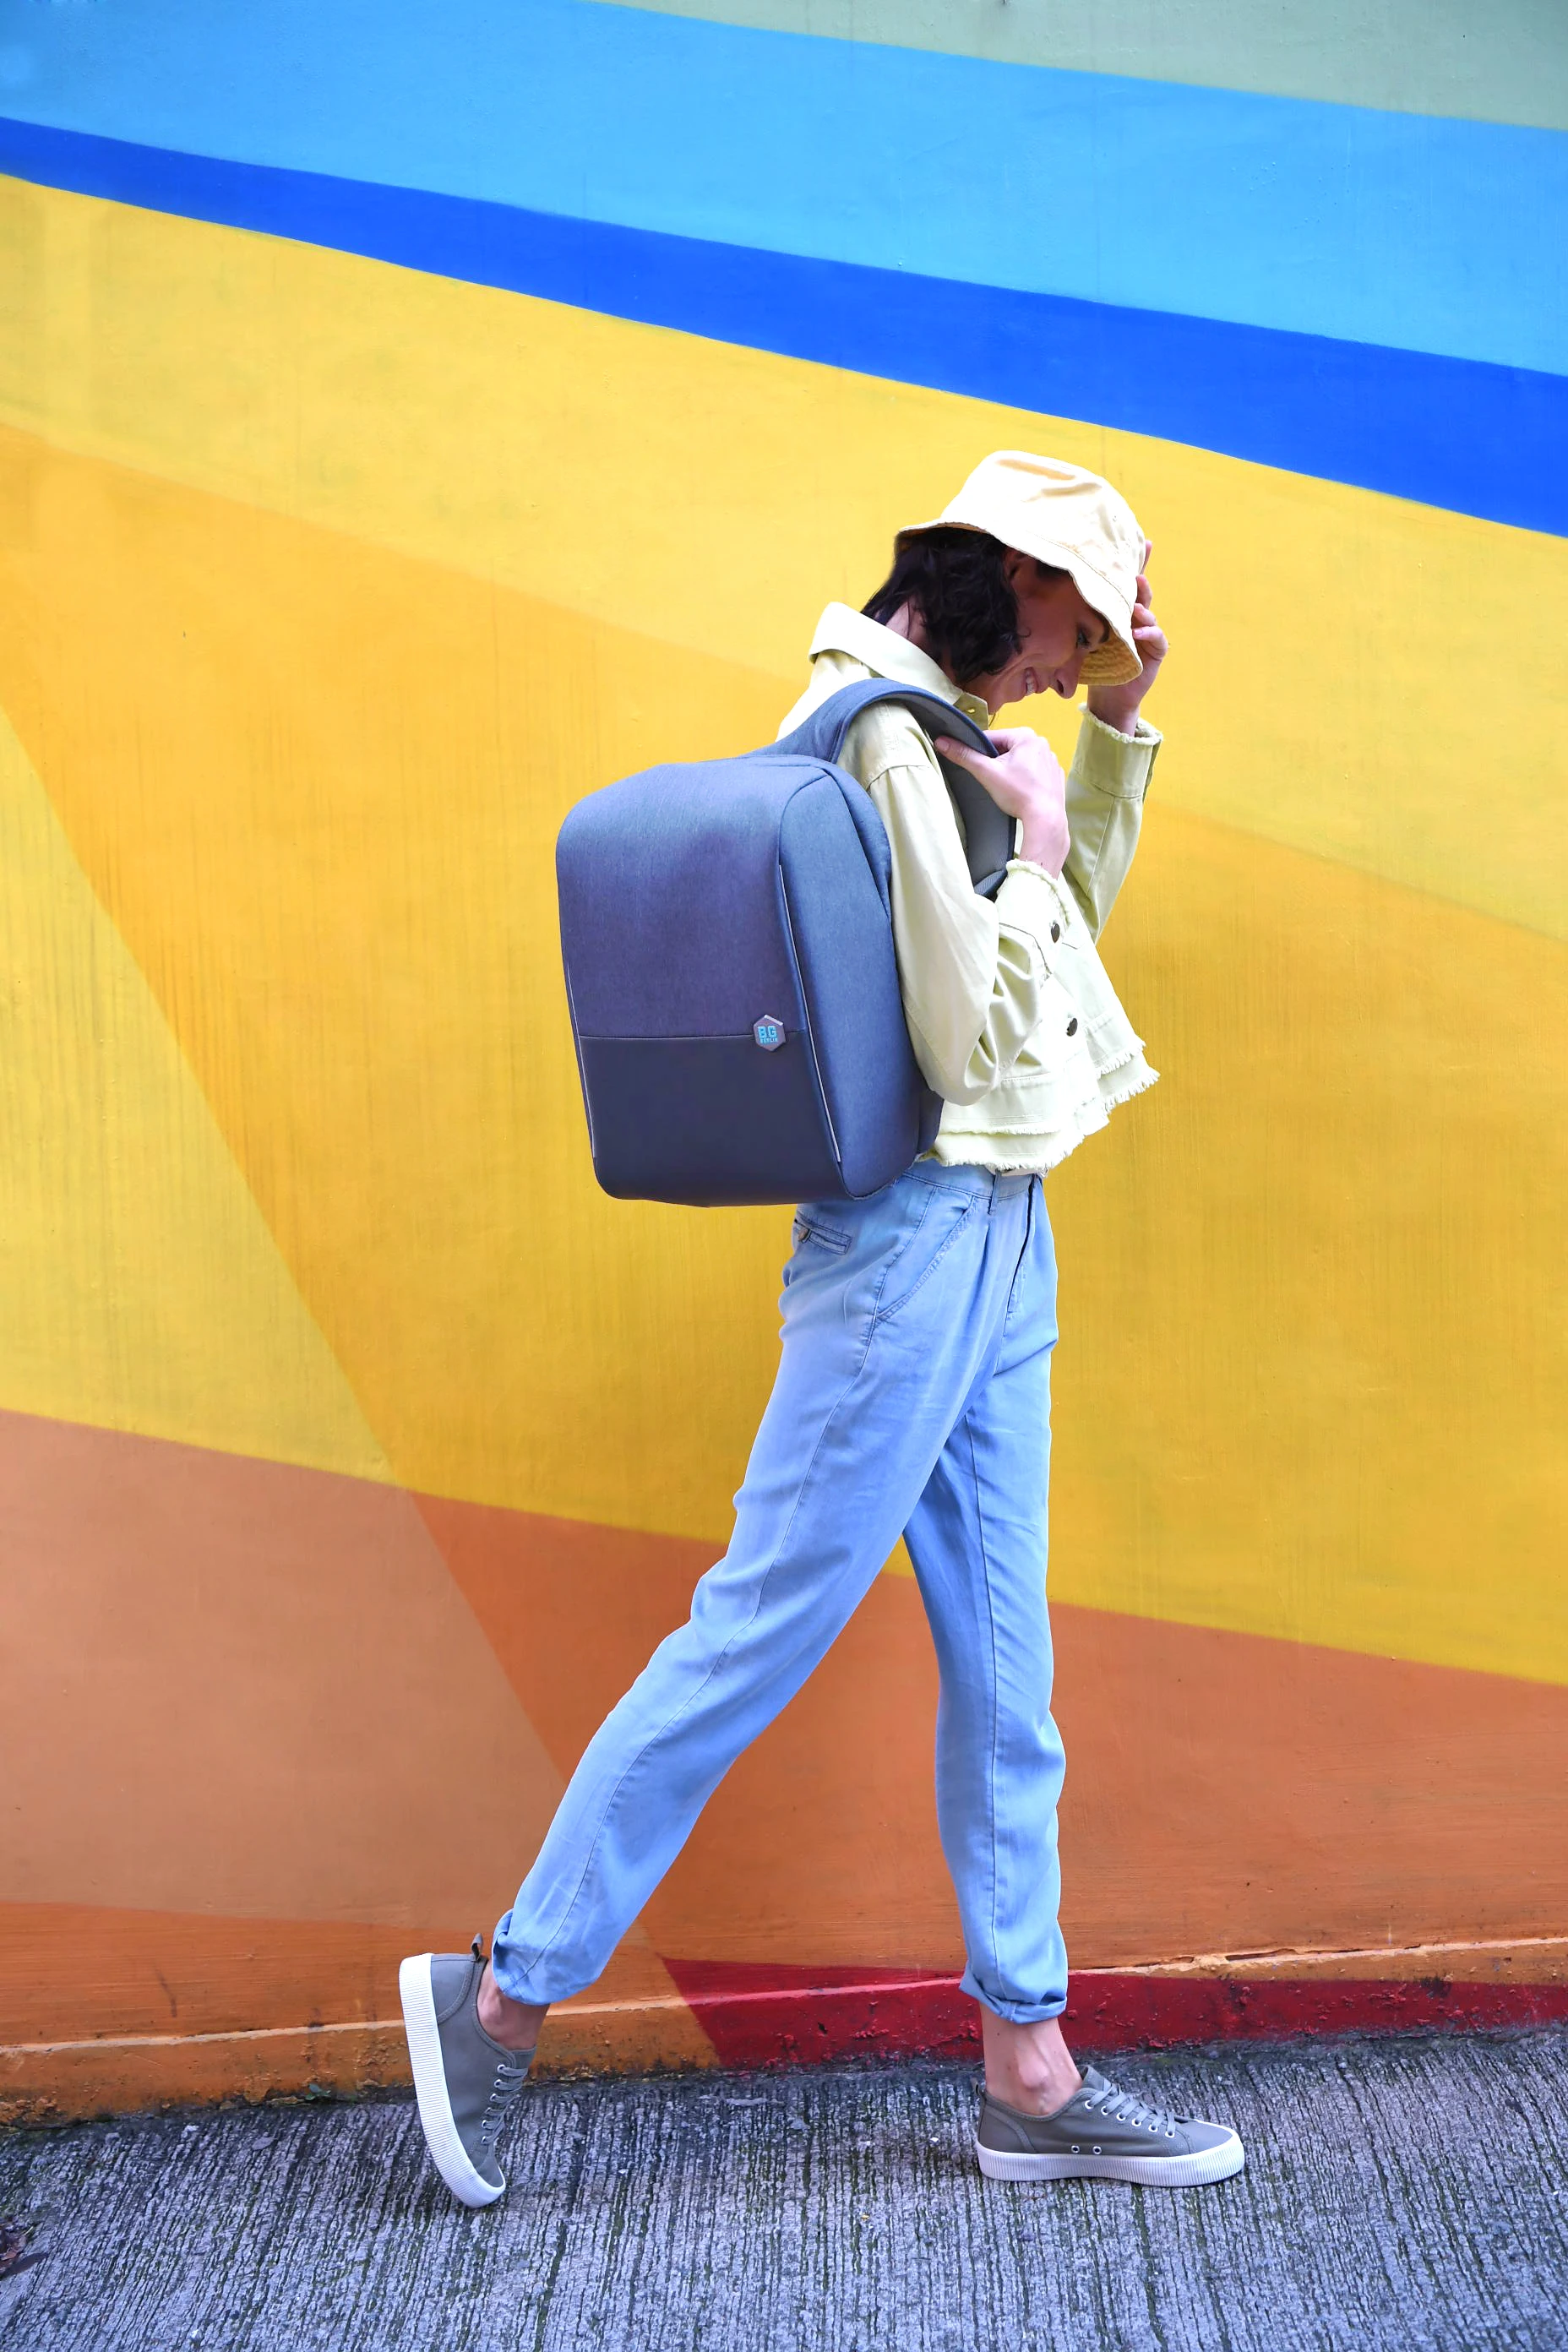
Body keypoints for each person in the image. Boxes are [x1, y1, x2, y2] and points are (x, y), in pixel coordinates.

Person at [399, 451, 1245, 2205]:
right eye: (1071, 636)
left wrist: (1110, 750)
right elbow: (969, 1030)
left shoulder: (944, 730)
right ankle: (498, 2000)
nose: (1063, 671)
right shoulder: (883, 737)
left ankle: (1029, 2068)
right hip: (912, 1247)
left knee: (1007, 1674)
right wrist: (1033, 836)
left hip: (996, 1231)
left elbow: (1046, 962)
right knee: (757, 1631)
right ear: (1010, 578)